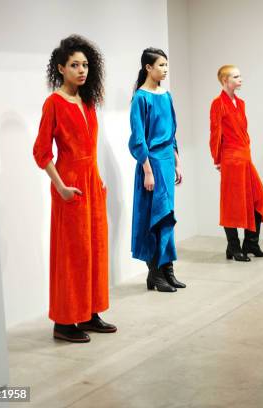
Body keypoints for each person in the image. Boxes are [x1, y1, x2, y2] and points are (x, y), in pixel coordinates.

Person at [33, 35, 116, 343]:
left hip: (92, 184)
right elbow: (41, 152)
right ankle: (65, 322)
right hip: (69, 185)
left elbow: (91, 149)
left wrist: (99, 178)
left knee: (95, 248)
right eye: (74, 65)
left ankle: (90, 312)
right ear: (60, 68)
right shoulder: (53, 103)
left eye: (85, 65)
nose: (82, 70)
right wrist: (61, 187)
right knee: (71, 253)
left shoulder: (89, 101)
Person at [129, 48, 185, 292]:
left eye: (166, 65)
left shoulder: (166, 95)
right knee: (156, 217)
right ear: (148, 67)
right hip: (151, 163)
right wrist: (147, 170)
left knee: (167, 216)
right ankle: (155, 273)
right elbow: (138, 137)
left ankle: (168, 270)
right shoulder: (140, 98)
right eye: (160, 65)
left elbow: (172, 132)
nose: (165, 69)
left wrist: (178, 161)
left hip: (167, 161)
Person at [209, 65, 263, 261]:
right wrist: (218, 159)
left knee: (257, 198)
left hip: (245, 157)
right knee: (232, 203)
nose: (240, 79)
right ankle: (234, 247)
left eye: (240, 76)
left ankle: (251, 244)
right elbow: (215, 132)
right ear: (225, 81)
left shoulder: (241, 103)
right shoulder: (217, 103)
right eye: (236, 77)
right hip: (230, 159)